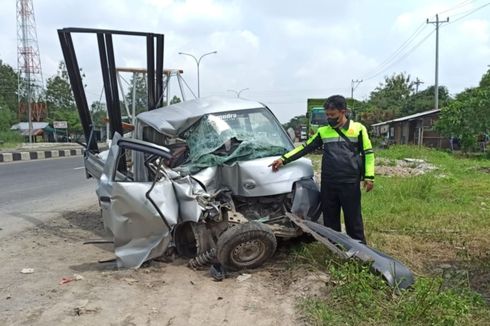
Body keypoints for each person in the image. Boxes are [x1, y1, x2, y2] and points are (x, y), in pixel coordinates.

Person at [270, 95, 374, 244]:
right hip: (329, 182)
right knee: (330, 219)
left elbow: (368, 153)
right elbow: (305, 148)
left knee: (353, 218)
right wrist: (283, 159)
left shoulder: (358, 129)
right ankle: (335, 247)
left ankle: (360, 251)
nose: (329, 118)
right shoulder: (323, 131)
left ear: (343, 111)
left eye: (332, 115)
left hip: (350, 182)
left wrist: (369, 177)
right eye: (327, 115)